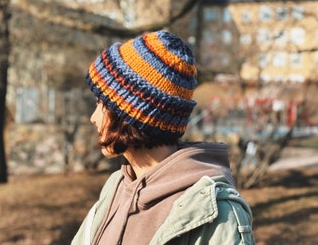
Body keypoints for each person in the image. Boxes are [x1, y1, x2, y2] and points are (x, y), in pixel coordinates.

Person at [72, 30, 255, 245]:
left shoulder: (217, 215)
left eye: (102, 105)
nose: (93, 118)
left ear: (132, 114)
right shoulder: (116, 188)